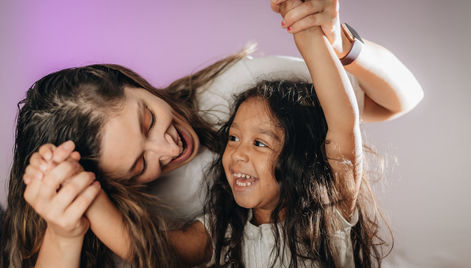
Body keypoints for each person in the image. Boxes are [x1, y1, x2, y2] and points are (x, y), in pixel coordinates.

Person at [1, 0, 423, 267]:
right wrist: (80, 193)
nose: (167, 147)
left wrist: (319, 32)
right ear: (115, 183)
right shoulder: (221, 230)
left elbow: (355, 114)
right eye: (139, 164)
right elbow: (152, 251)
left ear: (135, 84)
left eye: (148, 121)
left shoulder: (242, 97)